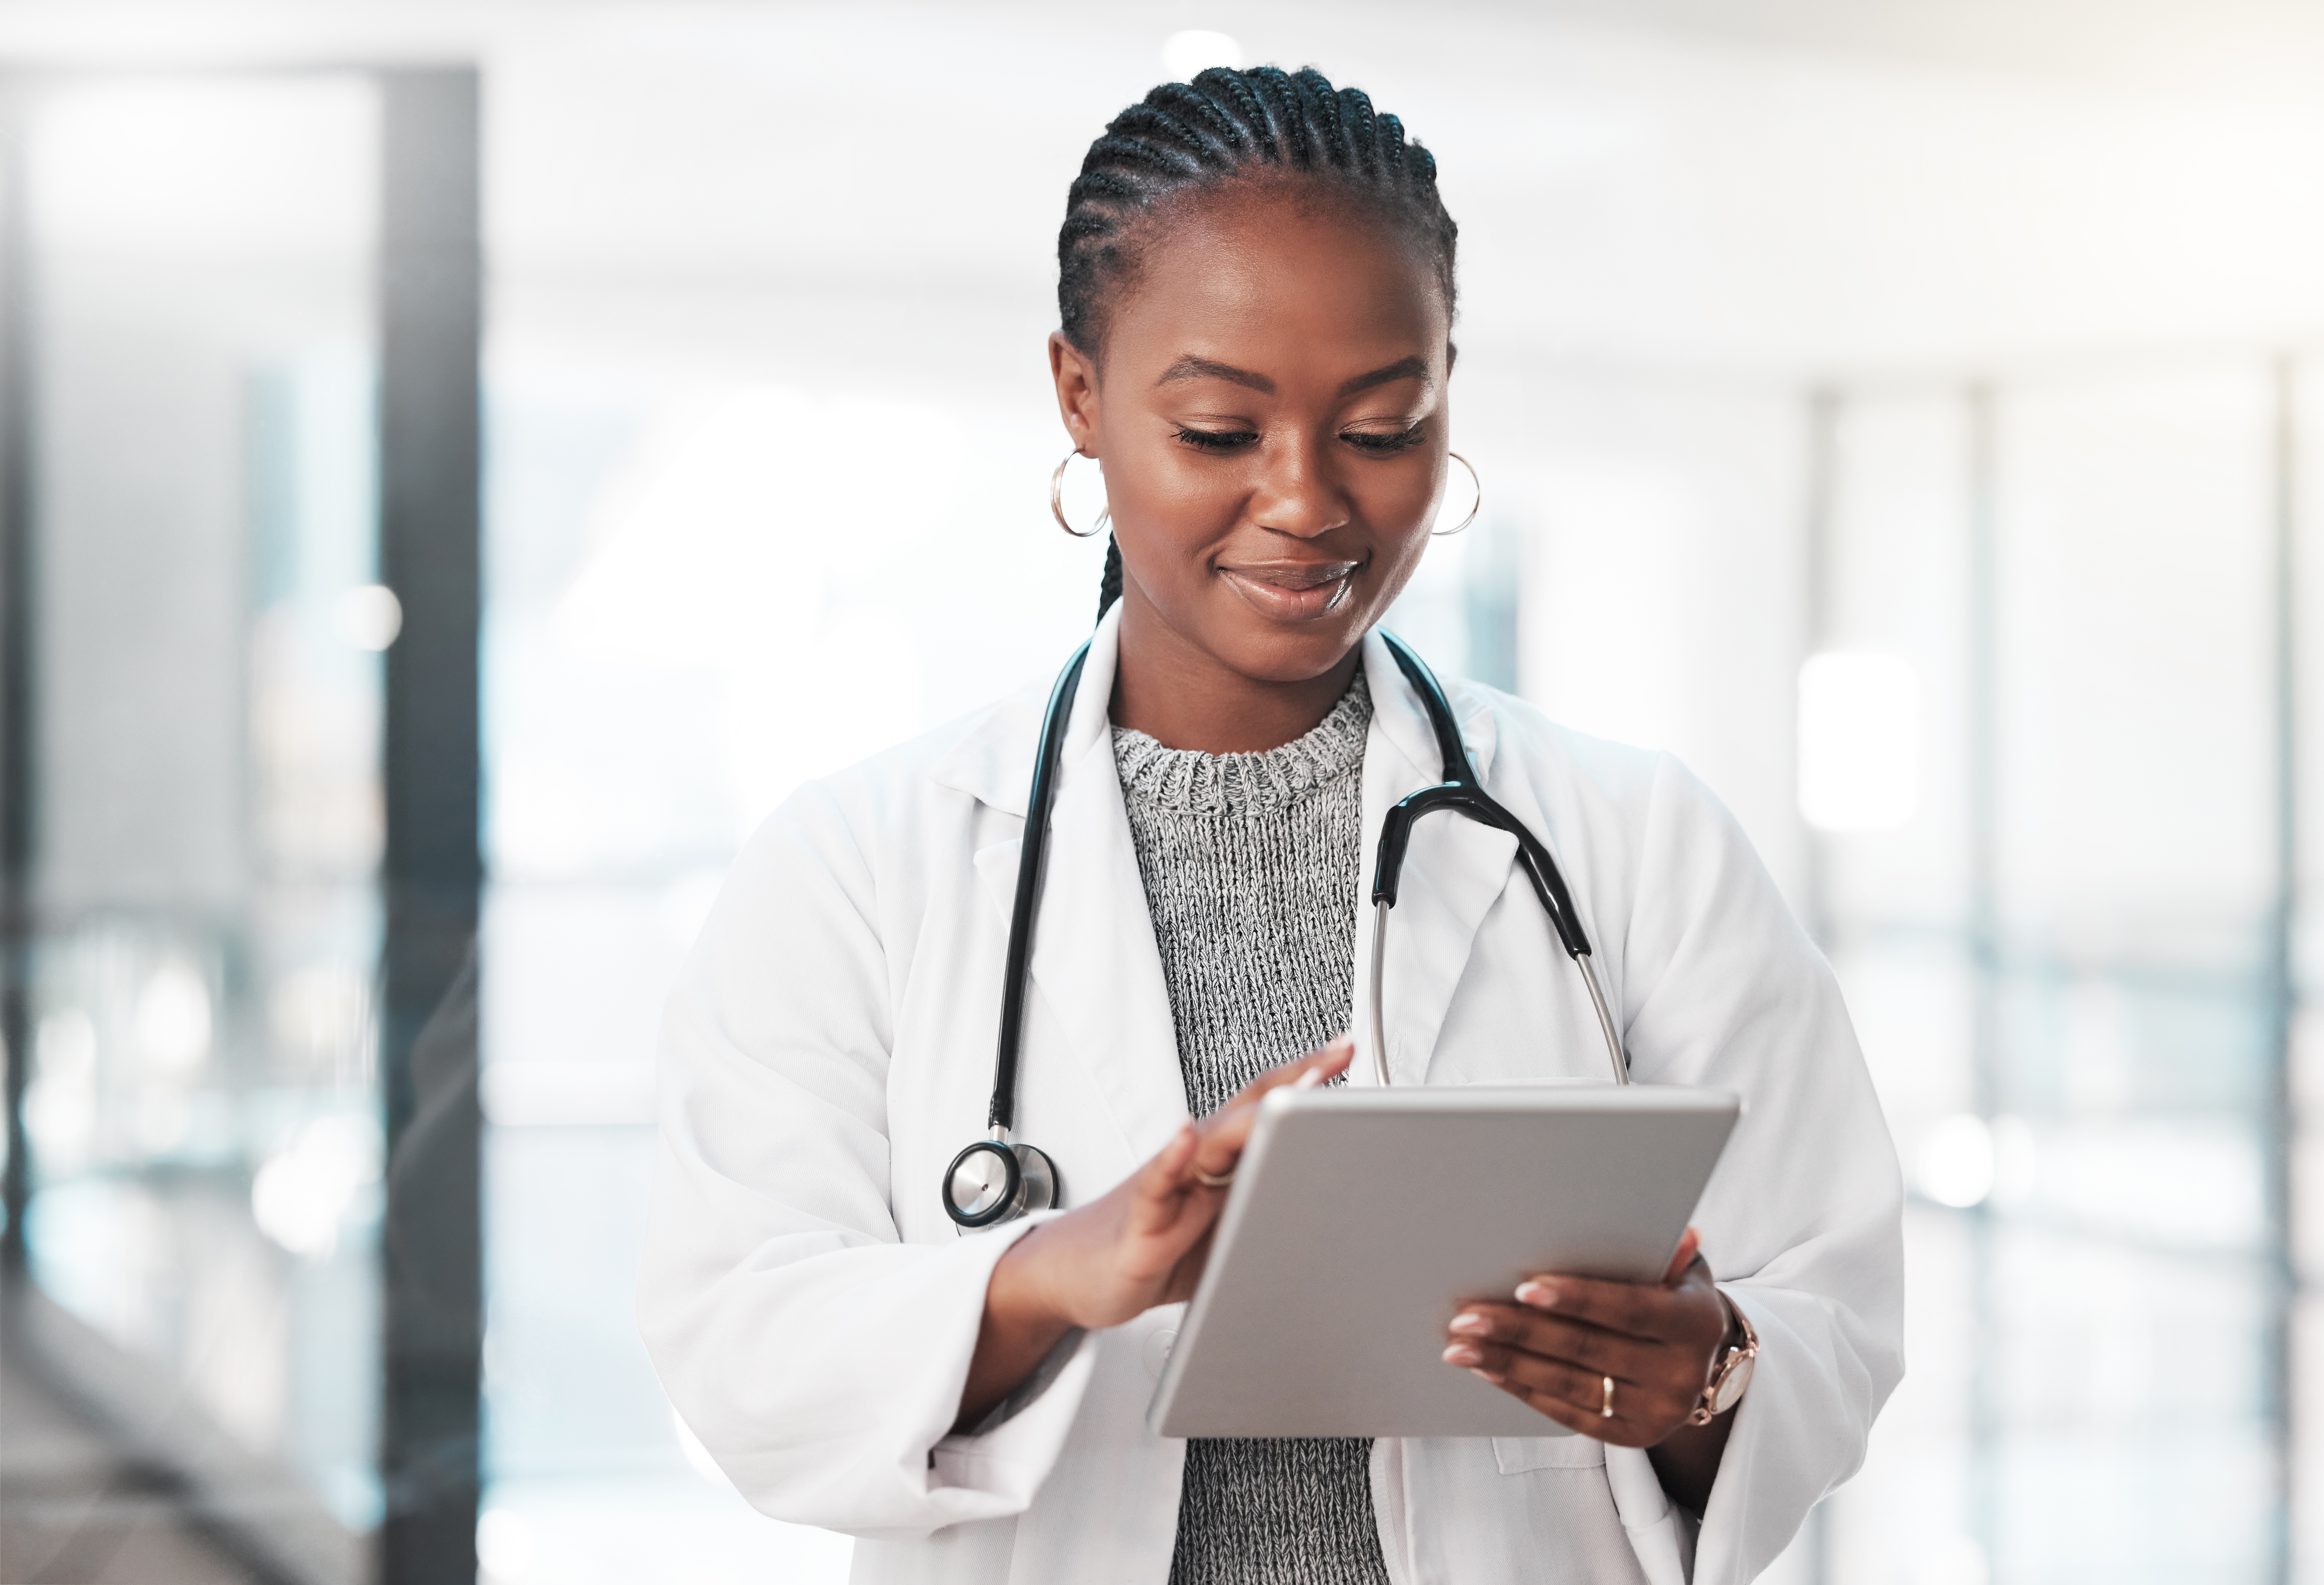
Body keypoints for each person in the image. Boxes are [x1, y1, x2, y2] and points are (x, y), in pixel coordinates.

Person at [639, 64, 1903, 1585]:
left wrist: (1701, 1375)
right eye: (1222, 431)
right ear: (1081, 397)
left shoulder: (1634, 844)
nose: (1308, 503)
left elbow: (1831, 1318)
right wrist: (1055, 1273)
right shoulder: (860, 865)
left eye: (1383, 426)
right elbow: (739, 1356)